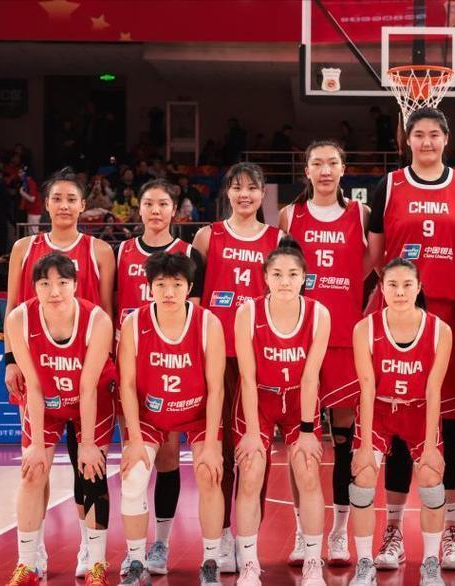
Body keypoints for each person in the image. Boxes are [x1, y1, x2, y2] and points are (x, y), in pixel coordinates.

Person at [365, 107, 455, 570]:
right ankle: (394, 530)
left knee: (451, 429)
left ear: (446, 138)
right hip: (400, 315)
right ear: (407, 140)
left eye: (435, 134)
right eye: (418, 134)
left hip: (453, 318)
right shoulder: (389, 186)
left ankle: (452, 529)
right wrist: (392, 301)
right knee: (399, 425)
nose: (427, 142)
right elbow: (375, 256)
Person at [4, 166, 116, 578]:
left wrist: (105, 362)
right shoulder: (25, 247)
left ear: (83, 204)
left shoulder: (99, 251)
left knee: (88, 465)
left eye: (72, 198)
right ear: (46, 204)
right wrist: (10, 359)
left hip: (88, 363)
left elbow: (108, 307)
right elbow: (12, 305)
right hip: (40, 364)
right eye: (57, 198)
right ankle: (31, 557)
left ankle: (92, 554)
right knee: (37, 463)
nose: (64, 205)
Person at [280, 140, 370, 566]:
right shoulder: (290, 215)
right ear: (307, 170)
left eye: (333, 162)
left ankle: (338, 533)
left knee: (344, 442)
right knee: (301, 439)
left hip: (345, 339)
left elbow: (372, 263)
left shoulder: (360, 214)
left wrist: (347, 288)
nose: (325, 170)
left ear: (343, 168)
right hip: (300, 340)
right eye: (317, 163)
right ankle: (303, 532)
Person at [192, 162, 283, 569]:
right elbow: (195, 300)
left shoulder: (277, 239)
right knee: (221, 447)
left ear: (263, 194)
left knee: (254, 450)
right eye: (237, 187)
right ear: (227, 192)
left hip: (260, 359)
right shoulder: (208, 236)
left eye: (252, 187)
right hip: (218, 357)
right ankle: (224, 533)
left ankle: (247, 537)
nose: (245, 194)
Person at [117, 252, 226, 586]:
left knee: (209, 474)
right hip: (150, 415)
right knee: (133, 478)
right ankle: (136, 562)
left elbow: (216, 387)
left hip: (197, 413)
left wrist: (211, 445)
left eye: (177, 284)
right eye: (161, 284)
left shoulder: (208, 323)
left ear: (189, 287)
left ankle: (211, 561)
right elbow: (127, 384)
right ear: (149, 287)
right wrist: (134, 441)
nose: (168, 292)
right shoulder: (133, 323)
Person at [114, 178, 205, 577]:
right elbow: (110, 303)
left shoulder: (188, 252)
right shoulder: (122, 251)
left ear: (174, 210)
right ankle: (132, 549)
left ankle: (161, 544)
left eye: (163, 203)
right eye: (148, 203)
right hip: (131, 361)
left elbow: (194, 314)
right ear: (139, 208)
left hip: (170, 363)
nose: (155, 210)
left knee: (168, 456)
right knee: (134, 456)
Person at [231, 239, 331, 585]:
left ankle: (313, 561)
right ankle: (248, 563)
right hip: (259, 398)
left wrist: (307, 430)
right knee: (251, 471)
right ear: (265, 277)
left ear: (304, 277)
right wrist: (251, 433)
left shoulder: (318, 314)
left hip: (299, 400)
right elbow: (247, 376)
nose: (285, 281)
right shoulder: (248, 313)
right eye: (277, 274)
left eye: (292, 274)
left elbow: (311, 376)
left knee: (307, 471)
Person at [347, 258, 452, 586]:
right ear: (382, 288)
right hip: (379, 409)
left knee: (432, 480)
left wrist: (432, 447)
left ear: (419, 288)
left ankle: (431, 563)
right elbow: (366, 387)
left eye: (408, 285)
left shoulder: (440, 330)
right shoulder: (365, 328)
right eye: (392, 285)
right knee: (363, 478)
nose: (400, 292)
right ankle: (365, 563)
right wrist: (365, 447)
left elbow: (434, 390)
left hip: (419, 410)